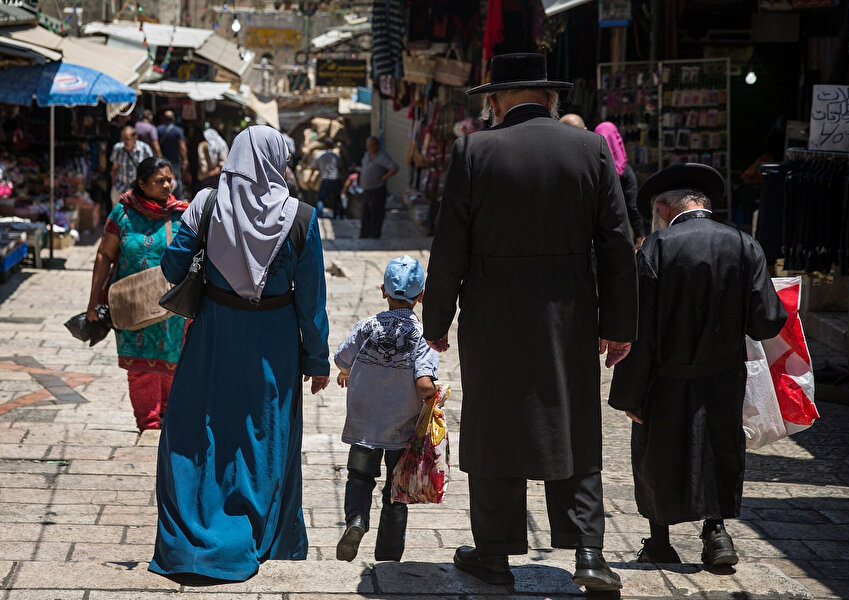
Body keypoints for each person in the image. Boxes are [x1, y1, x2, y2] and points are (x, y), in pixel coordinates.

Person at [422, 53, 638, 592]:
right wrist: (620, 324)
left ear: (495, 102)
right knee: (574, 423)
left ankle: (494, 553)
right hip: (568, 313)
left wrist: (436, 320)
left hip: (492, 314)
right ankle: (588, 551)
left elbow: (450, 245)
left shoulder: (474, 150)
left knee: (496, 424)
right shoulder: (589, 149)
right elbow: (617, 243)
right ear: (550, 99)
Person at [150, 125, 330, 583]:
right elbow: (311, 301)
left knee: (202, 431)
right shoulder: (301, 218)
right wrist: (317, 359)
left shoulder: (206, 205)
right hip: (275, 344)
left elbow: (172, 268)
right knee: (262, 435)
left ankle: (198, 529)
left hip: (214, 334)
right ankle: (263, 535)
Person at [608, 163, 787, 566]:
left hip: (666, 378)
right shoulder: (744, 244)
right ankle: (717, 535)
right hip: (723, 375)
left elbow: (642, 332)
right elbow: (768, 320)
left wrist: (630, 394)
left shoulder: (656, 248)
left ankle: (659, 541)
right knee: (718, 449)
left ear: (664, 208)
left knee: (658, 453)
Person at [332, 255, 440, 563]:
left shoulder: (367, 326)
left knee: (359, 477)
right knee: (396, 493)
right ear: (421, 296)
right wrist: (436, 395)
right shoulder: (423, 337)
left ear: (383, 291)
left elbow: (341, 359)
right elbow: (423, 384)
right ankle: (389, 556)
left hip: (365, 422)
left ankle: (355, 521)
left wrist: (348, 370)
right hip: (402, 426)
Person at [86, 157, 188, 431]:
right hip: (132, 302)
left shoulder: (182, 213)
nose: (168, 185)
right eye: (159, 181)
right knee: (140, 368)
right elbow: (104, 255)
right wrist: (94, 301)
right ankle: (148, 423)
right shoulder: (122, 213)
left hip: (172, 307)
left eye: (169, 179)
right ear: (141, 184)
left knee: (173, 362)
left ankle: (169, 416)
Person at [594, 122, 647, 249]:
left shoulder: (591, 167)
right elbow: (633, 205)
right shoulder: (625, 172)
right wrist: (640, 235)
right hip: (620, 235)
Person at [359, 136, 398, 239]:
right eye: (368, 146)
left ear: (376, 146)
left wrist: (384, 177)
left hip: (377, 189)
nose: (369, 148)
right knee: (364, 214)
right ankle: (364, 234)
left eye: (371, 146)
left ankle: (374, 235)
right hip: (367, 190)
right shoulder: (367, 155)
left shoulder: (382, 156)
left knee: (376, 213)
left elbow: (394, 167)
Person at [109, 126, 154, 207]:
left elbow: (151, 170)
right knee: (118, 217)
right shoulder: (117, 148)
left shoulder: (144, 149)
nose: (124, 141)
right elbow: (114, 169)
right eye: (122, 138)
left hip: (138, 192)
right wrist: (114, 186)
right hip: (120, 189)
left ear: (135, 138)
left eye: (127, 139)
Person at [156, 111, 189, 198]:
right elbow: (182, 146)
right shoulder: (178, 130)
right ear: (173, 119)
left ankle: (164, 198)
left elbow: (156, 145)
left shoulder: (158, 129)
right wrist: (185, 159)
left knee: (162, 180)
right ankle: (177, 200)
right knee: (176, 180)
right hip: (174, 161)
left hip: (162, 161)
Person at [311, 138, 344, 219]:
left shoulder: (320, 155)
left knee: (320, 198)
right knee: (337, 198)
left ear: (324, 145)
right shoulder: (336, 155)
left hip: (325, 179)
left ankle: (319, 216)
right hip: (335, 179)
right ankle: (338, 215)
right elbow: (340, 168)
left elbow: (313, 167)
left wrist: (310, 179)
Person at [197, 123, 229, 190]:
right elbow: (224, 159)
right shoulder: (221, 144)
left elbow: (202, 160)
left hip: (206, 176)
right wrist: (217, 169)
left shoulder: (202, 145)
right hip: (218, 175)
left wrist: (206, 171)